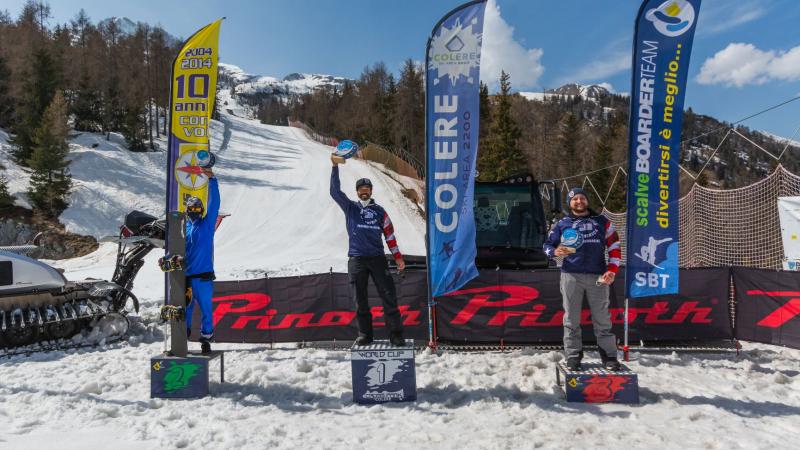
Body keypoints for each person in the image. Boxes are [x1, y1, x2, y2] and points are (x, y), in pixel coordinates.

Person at [330, 155, 406, 347]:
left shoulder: (380, 211)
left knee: (389, 296)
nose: (364, 192)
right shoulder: (350, 208)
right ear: (357, 192)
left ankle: (396, 335)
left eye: (367, 189)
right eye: (361, 189)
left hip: (378, 259)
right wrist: (334, 167)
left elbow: (390, 236)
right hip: (356, 260)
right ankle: (365, 334)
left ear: (371, 191)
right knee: (360, 300)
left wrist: (398, 258)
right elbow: (334, 191)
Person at [543, 187, 622, 371]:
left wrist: (612, 270)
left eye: (582, 198)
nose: (579, 201)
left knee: (602, 318)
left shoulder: (602, 222)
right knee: (571, 319)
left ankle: (609, 356)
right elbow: (547, 245)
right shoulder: (563, 223)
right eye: (574, 199)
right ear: (569, 203)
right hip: (571, 275)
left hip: (598, 276)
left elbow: (615, 247)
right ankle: (573, 356)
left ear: (587, 201)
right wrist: (554, 252)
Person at [184, 168, 220, 354]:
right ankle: (183, 336)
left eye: (198, 209)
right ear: (187, 210)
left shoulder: (206, 224)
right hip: (187, 277)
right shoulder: (185, 227)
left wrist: (212, 180)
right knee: (186, 309)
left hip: (204, 277)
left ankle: (206, 338)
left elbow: (215, 203)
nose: (195, 212)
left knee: (206, 309)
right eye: (192, 209)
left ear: (202, 210)